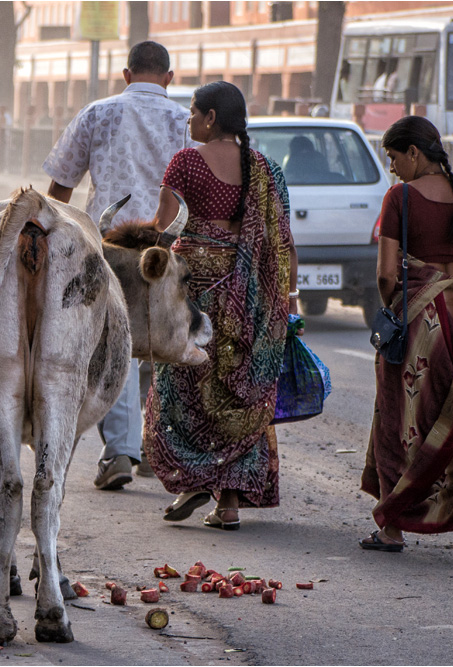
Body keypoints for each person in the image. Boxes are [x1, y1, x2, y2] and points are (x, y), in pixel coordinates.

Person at [359, 116, 453, 566]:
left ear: (414, 153)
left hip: (426, 325)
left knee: (401, 420)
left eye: (393, 157)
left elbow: (388, 274)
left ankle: (391, 527)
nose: (392, 168)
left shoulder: (401, 198)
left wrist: (400, 307)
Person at [43, 40, 195, 491]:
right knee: (164, 343)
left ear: (126, 75)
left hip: (108, 246)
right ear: (169, 77)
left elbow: (61, 185)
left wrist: (56, 237)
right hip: (170, 246)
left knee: (117, 345)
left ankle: (120, 452)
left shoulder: (98, 113)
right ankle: (154, 448)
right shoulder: (188, 121)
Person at [146, 81, 297, 530]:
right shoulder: (266, 169)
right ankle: (227, 503)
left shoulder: (187, 163)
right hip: (251, 299)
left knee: (185, 386)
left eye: (193, 112)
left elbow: (163, 225)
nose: (189, 119)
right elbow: (283, 243)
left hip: (193, 297)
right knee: (239, 392)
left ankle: (194, 477)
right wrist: (287, 301)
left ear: (211, 118)